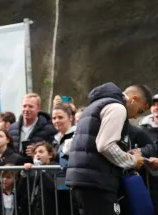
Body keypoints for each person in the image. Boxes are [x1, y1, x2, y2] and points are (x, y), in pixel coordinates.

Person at [65, 82, 152, 215]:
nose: (136, 116)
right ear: (134, 99)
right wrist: (132, 160)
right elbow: (105, 145)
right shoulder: (117, 108)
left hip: (83, 180)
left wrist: (123, 153)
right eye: (140, 111)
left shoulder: (94, 106)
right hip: (97, 182)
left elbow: (79, 145)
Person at [8, 93, 56, 163]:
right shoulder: (12, 128)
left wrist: (37, 152)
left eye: (30, 106)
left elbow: (53, 152)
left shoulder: (49, 129)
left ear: (38, 108)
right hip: (16, 169)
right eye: (24, 106)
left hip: (37, 170)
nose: (27, 109)